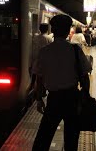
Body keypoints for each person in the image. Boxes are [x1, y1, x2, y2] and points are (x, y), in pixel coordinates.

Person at [32, 14, 92, 151]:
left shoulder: (44, 51)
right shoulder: (76, 50)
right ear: (67, 31)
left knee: (43, 138)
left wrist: (39, 99)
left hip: (53, 100)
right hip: (72, 99)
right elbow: (85, 75)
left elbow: (39, 78)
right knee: (71, 138)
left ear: (52, 30)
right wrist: (85, 98)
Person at [28, 23, 53, 93]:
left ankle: (31, 88)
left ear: (39, 29)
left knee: (34, 76)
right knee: (42, 78)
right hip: (45, 62)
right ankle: (42, 93)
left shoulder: (35, 37)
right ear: (47, 29)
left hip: (36, 60)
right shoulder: (49, 38)